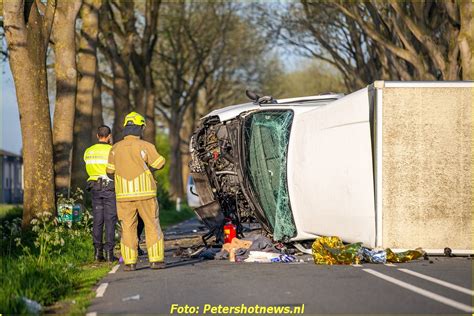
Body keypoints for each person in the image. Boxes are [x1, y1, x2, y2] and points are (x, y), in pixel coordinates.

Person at [106, 112, 166, 271]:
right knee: (152, 225)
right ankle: (156, 260)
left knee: (127, 227)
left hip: (123, 195)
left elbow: (109, 171)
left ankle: (130, 262)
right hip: (146, 194)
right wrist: (147, 168)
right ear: (140, 128)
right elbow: (160, 163)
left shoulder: (115, 148)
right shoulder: (146, 146)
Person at [84, 125, 118, 262]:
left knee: (98, 220)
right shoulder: (112, 150)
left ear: (98, 136)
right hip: (109, 187)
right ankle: (109, 253)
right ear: (109, 136)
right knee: (110, 219)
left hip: (94, 188)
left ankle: (97, 253)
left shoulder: (88, 151)